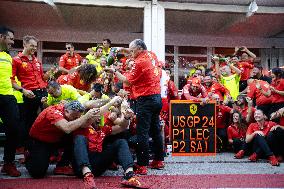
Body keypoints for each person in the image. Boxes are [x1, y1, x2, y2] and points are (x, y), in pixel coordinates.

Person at [104, 39, 164, 175]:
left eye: (132, 51)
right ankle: (159, 160)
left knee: (142, 132)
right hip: (156, 98)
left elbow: (127, 81)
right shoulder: (151, 55)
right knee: (155, 130)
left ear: (139, 50)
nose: (130, 53)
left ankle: (142, 165)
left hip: (145, 99)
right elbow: (132, 52)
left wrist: (114, 71)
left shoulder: (139, 63)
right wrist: (121, 49)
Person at [73, 97, 144, 189]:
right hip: (80, 167)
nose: (98, 118)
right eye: (96, 116)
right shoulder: (81, 125)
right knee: (79, 138)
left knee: (121, 142)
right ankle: (87, 175)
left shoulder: (103, 129)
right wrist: (111, 102)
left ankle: (129, 175)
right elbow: (88, 119)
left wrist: (126, 117)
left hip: (98, 165)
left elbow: (122, 127)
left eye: (100, 117)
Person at [25, 100, 100, 178]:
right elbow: (66, 128)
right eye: (74, 117)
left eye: (78, 117)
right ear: (66, 111)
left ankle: (63, 165)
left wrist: (92, 117)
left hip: (57, 138)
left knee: (78, 135)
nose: (76, 119)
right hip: (40, 141)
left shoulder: (72, 111)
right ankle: (29, 155)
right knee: (37, 173)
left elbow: (82, 125)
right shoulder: (53, 111)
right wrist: (85, 117)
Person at [11, 35, 48, 150]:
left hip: (43, 92)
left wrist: (51, 74)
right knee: (29, 123)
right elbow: (11, 80)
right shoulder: (16, 60)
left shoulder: (37, 60)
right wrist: (23, 90)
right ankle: (27, 150)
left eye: (35, 46)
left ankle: (45, 149)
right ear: (24, 45)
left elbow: (43, 77)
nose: (34, 48)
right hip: (29, 94)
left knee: (46, 120)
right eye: (32, 45)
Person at [0, 26, 21, 177]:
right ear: (2, 37)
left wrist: (22, 89)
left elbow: (12, 79)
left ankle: (8, 163)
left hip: (8, 96)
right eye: (11, 39)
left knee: (14, 129)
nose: (12, 42)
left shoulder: (8, 57)